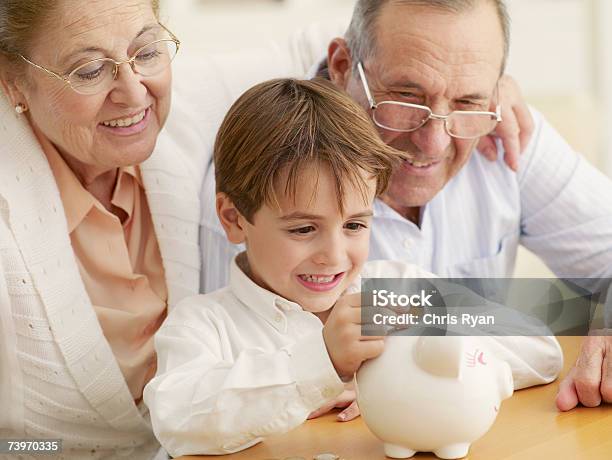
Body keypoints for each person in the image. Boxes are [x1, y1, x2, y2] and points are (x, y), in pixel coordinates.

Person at [199, 0, 612, 413]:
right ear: (342, 66)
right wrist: (320, 372)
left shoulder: (506, 134)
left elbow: (539, 339)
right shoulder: (261, 179)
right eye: (406, 96)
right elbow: (214, 398)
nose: (434, 142)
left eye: (467, 101)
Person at [145, 77, 562, 457]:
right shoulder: (205, 324)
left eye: (355, 225)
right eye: (304, 228)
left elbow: (540, 349)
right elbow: (175, 418)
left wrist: (409, 366)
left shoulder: (396, 289)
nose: (335, 255)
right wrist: (318, 365)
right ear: (235, 219)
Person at [0, 0, 205, 457]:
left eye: (147, 52)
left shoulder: (197, 137)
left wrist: (368, 357)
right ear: (12, 81)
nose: (134, 94)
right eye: (91, 71)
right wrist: (37, 452)